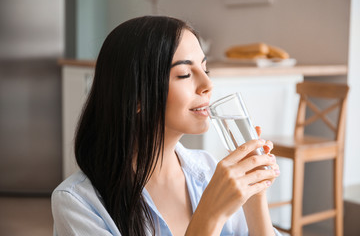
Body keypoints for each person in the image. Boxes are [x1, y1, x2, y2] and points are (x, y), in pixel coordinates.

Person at [52, 16, 281, 236]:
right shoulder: (77, 202)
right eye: (184, 74)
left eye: (205, 69)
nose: (208, 84)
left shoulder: (211, 172)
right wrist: (210, 215)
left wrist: (255, 196)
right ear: (137, 97)